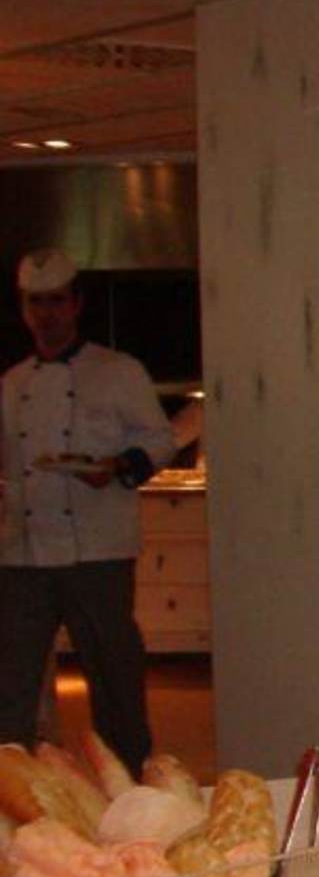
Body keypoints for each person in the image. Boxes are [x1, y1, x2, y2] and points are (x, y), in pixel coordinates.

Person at [0, 249, 176, 773]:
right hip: (23, 551)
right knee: (13, 681)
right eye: (36, 303)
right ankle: (12, 787)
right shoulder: (12, 385)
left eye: (56, 301)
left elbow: (160, 439)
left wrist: (118, 466)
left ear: (76, 304)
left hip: (98, 549)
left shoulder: (118, 372)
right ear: (24, 310)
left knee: (114, 675)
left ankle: (131, 783)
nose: (46, 314)